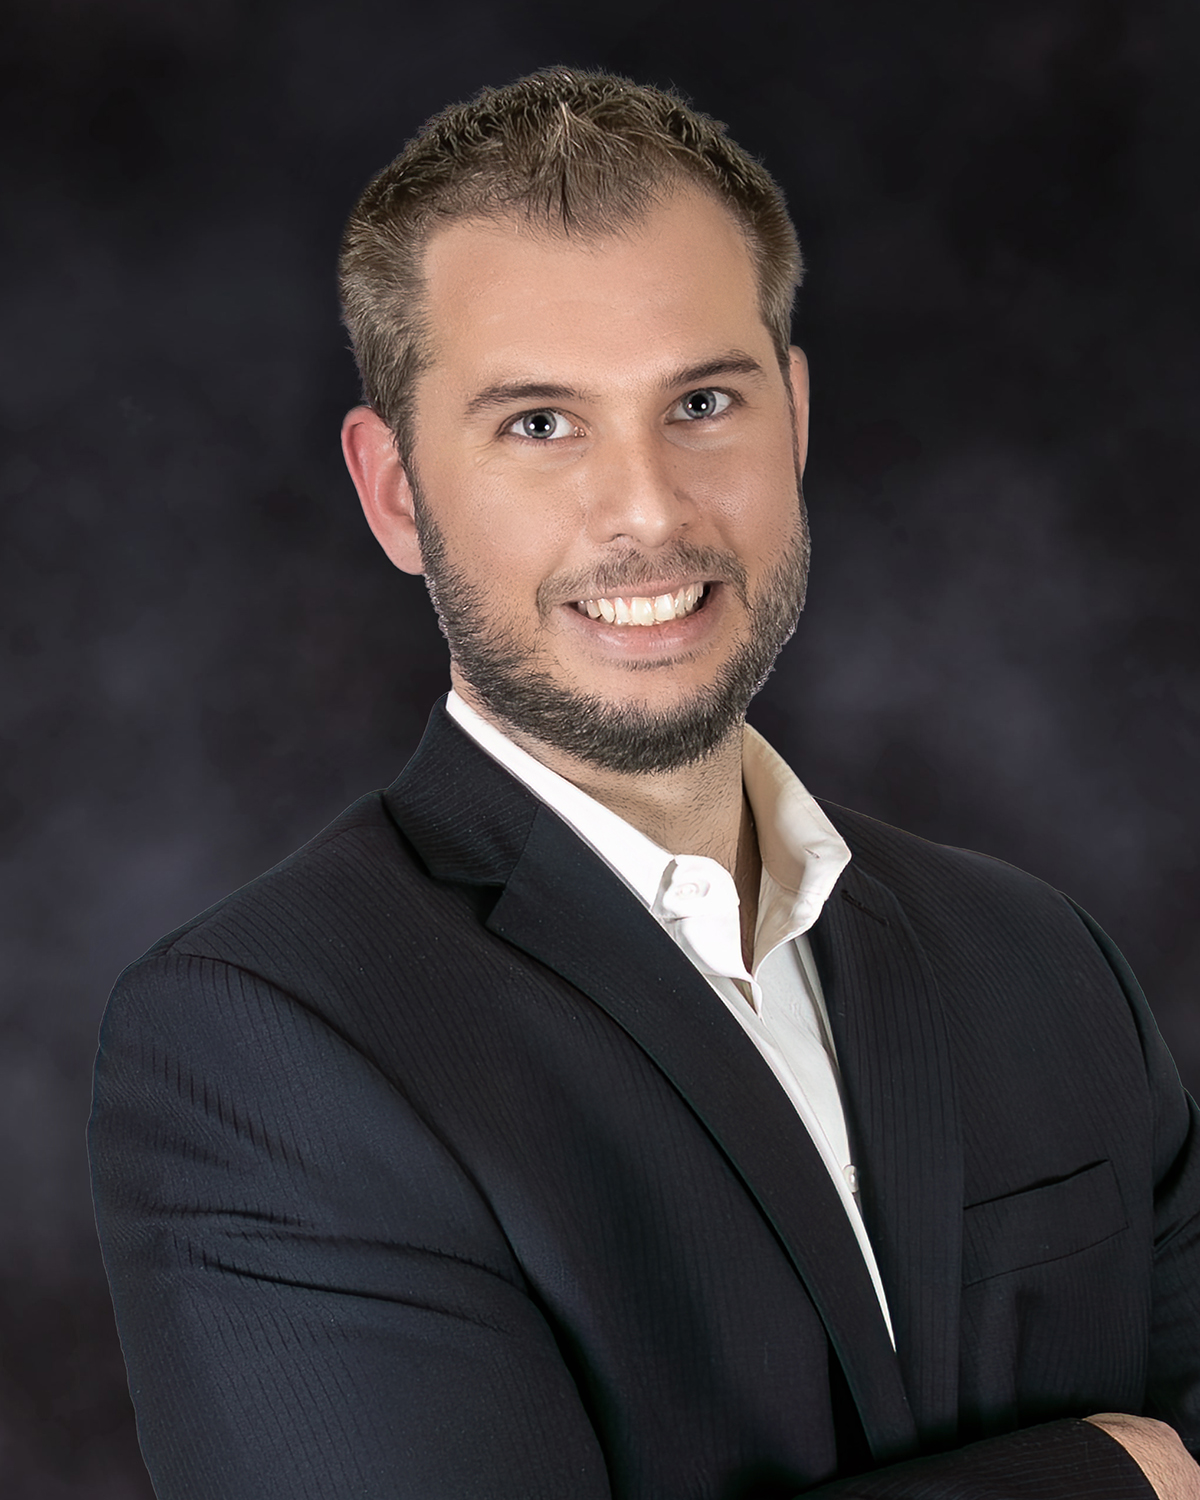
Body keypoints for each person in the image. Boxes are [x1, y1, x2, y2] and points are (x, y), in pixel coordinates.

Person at [89, 67, 1200, 1500]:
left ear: (794, 419)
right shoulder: (262, 1045)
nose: (648, 511)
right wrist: (1103, 1478)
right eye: (540, 424)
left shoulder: (1046, 960)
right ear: (395, 492)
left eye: (703, 402)